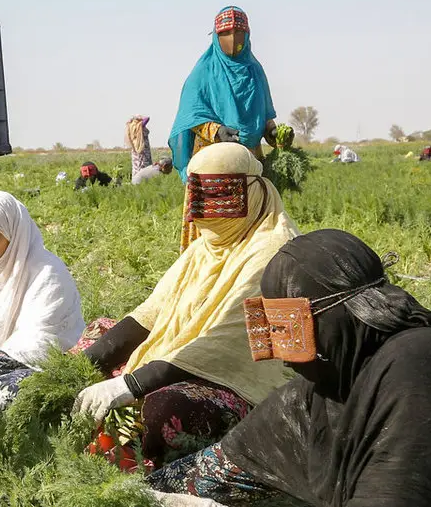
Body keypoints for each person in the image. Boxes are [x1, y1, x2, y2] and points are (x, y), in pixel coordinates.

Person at [147, 230, 431, 507]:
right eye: (272, 332)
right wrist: (136, 493)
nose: (285, 355)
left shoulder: (420, 366)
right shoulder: (328, 388)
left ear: (340, 313)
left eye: (290, 331)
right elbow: (223, 467)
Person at [74, 143, 300, 467]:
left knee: (165, 409)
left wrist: (130, 384)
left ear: (253, 192)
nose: (206, 210)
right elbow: (152, 312)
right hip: (188, 357)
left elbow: (224, 343)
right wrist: (81, 368)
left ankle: (151, 464)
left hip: (243, 379)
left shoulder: (274, 253)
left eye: (220, 196)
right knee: (98, 334)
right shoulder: (203, 248)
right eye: (199, 197)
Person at [0, 192, 84, 423]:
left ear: (13, 230)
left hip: (34, 366)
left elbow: (39, 345)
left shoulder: (48, 273)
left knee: (17, 390)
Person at [168, 7, 276, 249]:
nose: (233, 39)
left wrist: (274, 132)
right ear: (216, 37)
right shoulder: (204, 71)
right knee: (212, 236)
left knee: (250, 237)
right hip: (213, 167)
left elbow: (265, 117)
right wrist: (217, 130)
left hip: (250, 165)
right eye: (226, 33)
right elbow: (191, 116)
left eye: (239, 32)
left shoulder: (255, 71)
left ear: (248, 35)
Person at [127, 116, 155, 181]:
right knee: (144, 172)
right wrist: (139, 117)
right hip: (144, 154)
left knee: (138, 170)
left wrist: (133, 119)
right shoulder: (139, 127)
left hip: (139, 154)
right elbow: (147, 118)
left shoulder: (133, 129)